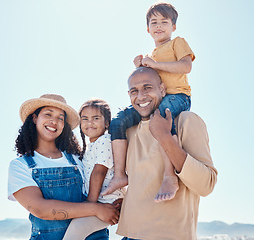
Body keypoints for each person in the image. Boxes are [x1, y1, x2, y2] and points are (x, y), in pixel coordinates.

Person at [104, 2, 195, 203]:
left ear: (174, 26)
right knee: (118, 121)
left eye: (164, 21)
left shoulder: (177, 42)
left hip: (177, 96)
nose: (159, 26)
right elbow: (147, 81)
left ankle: (170, 176)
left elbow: (186, 66)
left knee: (160, 115)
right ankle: (120, 174)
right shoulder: (150, 55)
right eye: (154, 22)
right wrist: (140, 67)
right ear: (148, 29)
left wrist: (155, 64)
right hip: (154, 100)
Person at [115, 67, 218, 240]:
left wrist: (165, 137)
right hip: (129, 234)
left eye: (147, 87)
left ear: (162, 89)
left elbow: (206, 185)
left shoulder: (186, 121)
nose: (140, 96)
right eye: (134, 91)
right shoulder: (129, 132)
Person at [7, 94, 120, 240]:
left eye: (60, 118)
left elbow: (106, 179)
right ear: (35, 118)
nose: (54, 121)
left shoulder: (78, 159)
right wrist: (96, 209)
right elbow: (41, 209)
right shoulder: (20, 166)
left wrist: (120, 201)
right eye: (48, 114)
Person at [63, 98, 125, 240]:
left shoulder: (104, 140)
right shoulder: (92, 146)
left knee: (75, 233)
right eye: (85, 119)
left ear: (107, 122)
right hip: (100, 201)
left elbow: (99, 171)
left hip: (106, 203)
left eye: (95, 118)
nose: (89, 122)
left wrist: (90, 203)